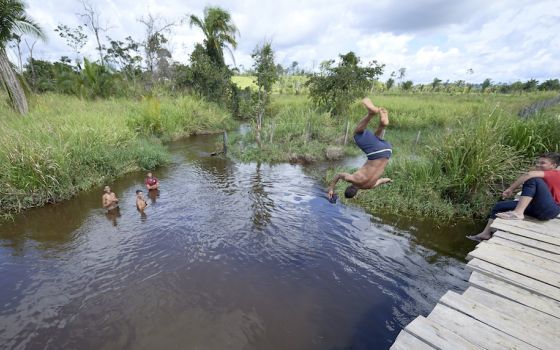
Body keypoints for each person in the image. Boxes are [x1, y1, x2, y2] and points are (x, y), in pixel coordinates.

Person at [467, 152, 560, 242]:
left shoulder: (556, 173)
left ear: (553, 165)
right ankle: (485, 233)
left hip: (550, 210)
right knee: (499, 206)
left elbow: (529, 174)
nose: (538, 165)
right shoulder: (543, 176)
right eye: (538, 162)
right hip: (537, 208)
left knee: (532, 179)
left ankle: (518, 213)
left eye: (542, 163)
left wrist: (510, 189)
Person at [327, 97, 393, 201]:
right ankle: (371, 114)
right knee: (357, 133)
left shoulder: (370, 186)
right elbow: (338, 175)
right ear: (348, 186)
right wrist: (331, 189)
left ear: (356, 194)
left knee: (375, 139)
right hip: (376, 152)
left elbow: (383, 180)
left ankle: (382, 125)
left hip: (387, 152)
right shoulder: (352, 179)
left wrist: (389, 180)